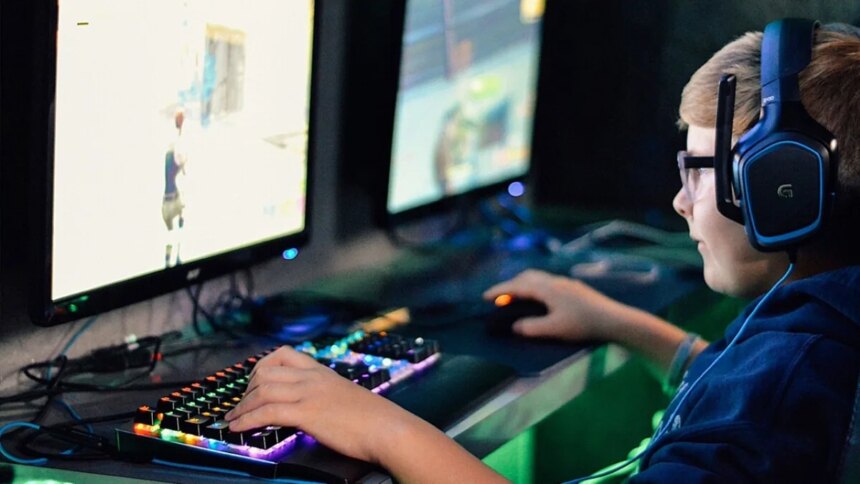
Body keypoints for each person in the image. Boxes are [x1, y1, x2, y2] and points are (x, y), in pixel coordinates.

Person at [224, 22, 860, 482]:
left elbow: (753, 412)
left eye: (700, 171)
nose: (680, 201)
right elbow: (730, 391)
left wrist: (379, 426)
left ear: (784, 186)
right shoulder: (817, 322)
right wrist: (616, 322)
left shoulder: (796, 371)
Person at [163, 109, 188, 268]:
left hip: (167, 200)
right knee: (176, 227)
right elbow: (180, 161)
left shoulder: (172, 146)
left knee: (171, 232)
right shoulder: (176, 147)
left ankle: (170, 260)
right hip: (172, 200)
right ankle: (175, 258)